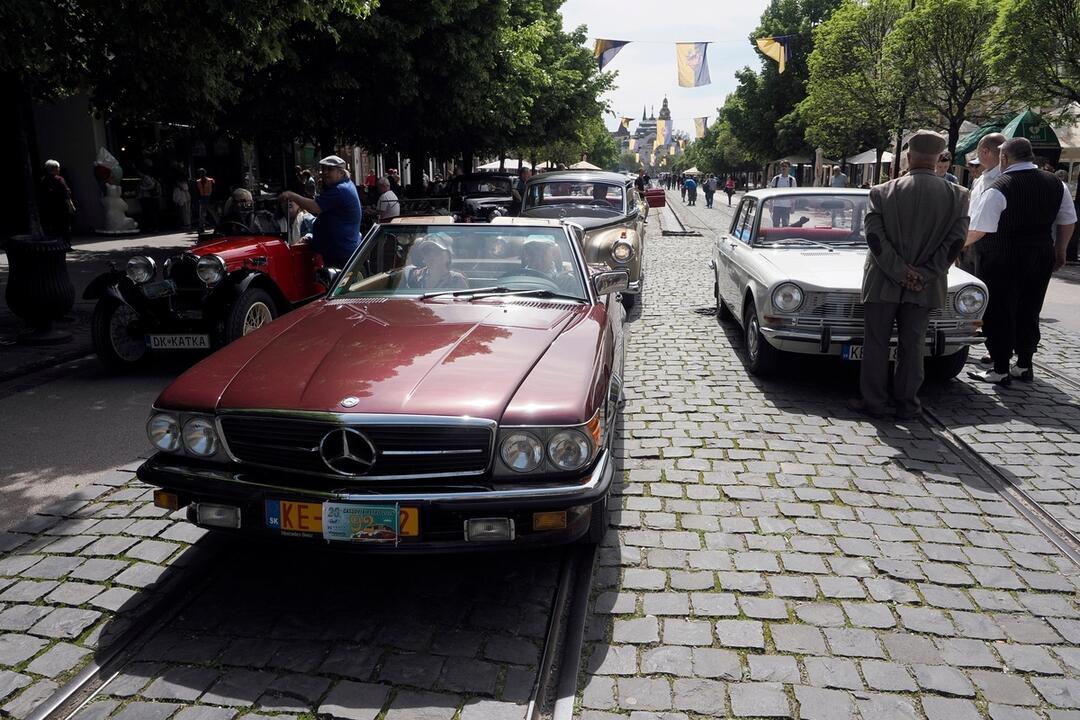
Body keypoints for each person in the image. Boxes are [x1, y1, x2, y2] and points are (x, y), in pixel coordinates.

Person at [849, 130, 969, 419]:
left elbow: (875, 239)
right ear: (940, 158)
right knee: (913, 345)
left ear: (909, 156)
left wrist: (900, 272)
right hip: (925, 286)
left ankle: (874, 401)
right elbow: (955, 242)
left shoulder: (882, 191)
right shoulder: (958, 195)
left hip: (882, 282)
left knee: (876, 343)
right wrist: (925, 274)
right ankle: (907, 403)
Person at [964, 137, 1077, 385]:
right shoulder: (1057, 184)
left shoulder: (1000, 186)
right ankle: (1025, 364)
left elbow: (980, 228)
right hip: (1040, 253)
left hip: (1002, 256)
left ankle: (1000, 367)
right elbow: (1067, 220)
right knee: (1030, 308)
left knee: (1000, 310)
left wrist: (956, 246)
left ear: (1004, 158)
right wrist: (1061, 250)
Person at [280, 155, 362, 268]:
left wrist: (292, 195)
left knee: (337, 284)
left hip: (340, 253)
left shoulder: (340, 190)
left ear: (341, 173)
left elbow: (315, 207)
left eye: (330, 169)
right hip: (340, 250)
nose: (325, 173)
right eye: (324, 169)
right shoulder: (344, 186)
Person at [958, 133, 1005, 279]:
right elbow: (971, 210)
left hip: (989, 247)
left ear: (984, 152)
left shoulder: (1003, 180)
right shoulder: (980, 180)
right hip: (970, 244)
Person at [39, 159, 75, 241]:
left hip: (50, 206)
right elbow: (65, 193)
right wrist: (71, 205)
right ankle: (66, 243)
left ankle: (57, 243)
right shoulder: (59, 179)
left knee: (55, 226)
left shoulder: (43, 180)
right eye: (58, 168)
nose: (59, 169)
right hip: (61, 205)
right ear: (54, 168)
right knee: (65, 225)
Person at [769, 161, 798, 226]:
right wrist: (770, 205)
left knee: (785, 225)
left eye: (785, 166)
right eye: (782, 166)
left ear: (789, 168)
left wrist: (793, 206)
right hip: (776, 206)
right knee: (775, 224)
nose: (784, 168)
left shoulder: (792, 180)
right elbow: (771, 192)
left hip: (787, 206)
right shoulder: (776, 179)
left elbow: (794, 194)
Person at [195, 168, 216, 233]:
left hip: (209, 198)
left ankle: (219, 224)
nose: (201, 174)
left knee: (213, 213)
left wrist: (213, 199)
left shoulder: (210, 180)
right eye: (200, 173)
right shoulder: (198, 181)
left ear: (205, 173)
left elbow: (214, 190)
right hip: (202, 198)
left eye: (202, 173)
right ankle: (201, 227)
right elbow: (197, 191)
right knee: (201, 214)